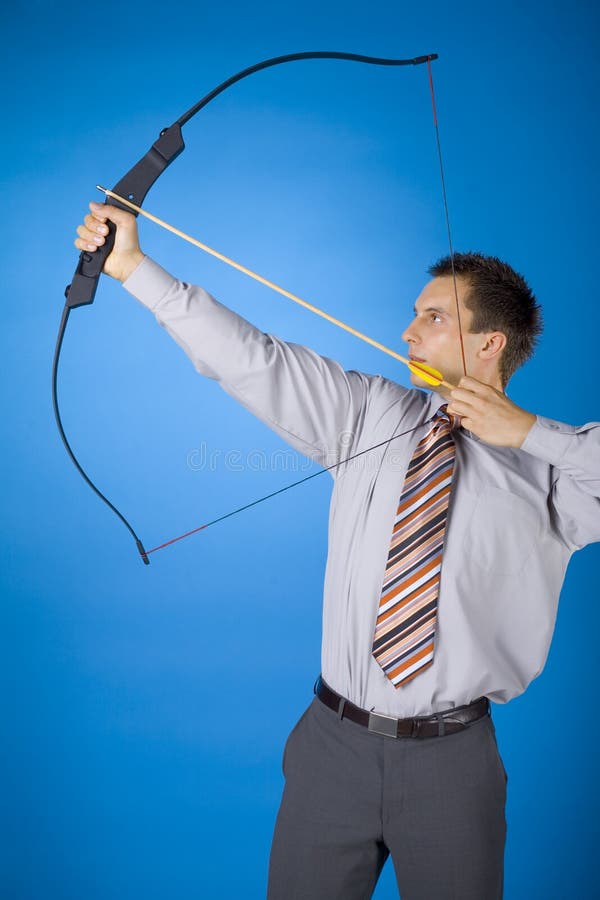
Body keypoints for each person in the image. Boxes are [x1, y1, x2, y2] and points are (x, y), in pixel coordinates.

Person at [75, 201, 600, 899]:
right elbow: (253, 360)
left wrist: (529, 432)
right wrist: (133, 268)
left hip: (453, 762)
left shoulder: (554, 472)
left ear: (491, 344)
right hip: (333, 747)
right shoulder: (370, 413)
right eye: (415, 313)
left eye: (434, 318)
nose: (408, 331)